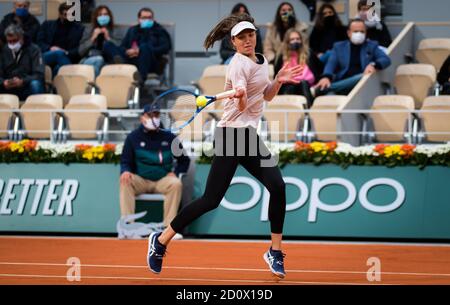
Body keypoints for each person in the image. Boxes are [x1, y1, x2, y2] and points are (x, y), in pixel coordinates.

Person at [146, 13, 303, 279]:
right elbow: (241, 106)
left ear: (255, 36)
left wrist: (276, 81)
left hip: (249, 138)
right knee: (210, 200)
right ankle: (160, 241)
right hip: (230, 136)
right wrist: (240, 97)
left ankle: (275, 252)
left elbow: (266, 96)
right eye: (241, 37)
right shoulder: (237, 65)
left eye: (250, 35)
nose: (247, 40)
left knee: (277, 186)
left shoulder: (262, 61)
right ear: (233, 42)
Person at [120, 103, 190, 240]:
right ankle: (128, 227)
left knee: (176, 183)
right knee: (125, 180)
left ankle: (168, 230)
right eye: (150, 115)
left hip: (162, 180)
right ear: (142, 118)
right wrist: (125, 171)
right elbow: (125, 161)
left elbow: (184, 160)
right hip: (141, 179)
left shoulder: (169, 137)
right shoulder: (132, 137)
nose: (154, 118)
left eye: (156, 115)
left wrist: (175, 172)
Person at [312, 19, 391, 96]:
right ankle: (327, 89)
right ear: (349, 33)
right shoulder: (339, 47)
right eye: (356, 31)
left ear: (366, 33)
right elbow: (330, 64)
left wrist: (373, 65)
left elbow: (385, 59)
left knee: (362, 76)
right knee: (328, 98)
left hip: (361, 85)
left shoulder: (372, 46)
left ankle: (325, 88)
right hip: (342, 83)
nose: (359, 34)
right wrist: (326, 77)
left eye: (362, 32)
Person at [112, 7, 171, 83]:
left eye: (149, 18)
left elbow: (165, 47)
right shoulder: (132, 30)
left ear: (153, 19)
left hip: (151, 62)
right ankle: (121, 63)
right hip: (132, 60)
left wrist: (143, 50)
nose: (147, 20)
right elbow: (123, 45)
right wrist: (127, 51)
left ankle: (140, 80)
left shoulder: (159, 31)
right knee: (108, 45)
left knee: (144, 47)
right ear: (139, 19)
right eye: (144, 18)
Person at [274, 28, 323, 107]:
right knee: (290, 88)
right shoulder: (280, 56)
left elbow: (320, 71)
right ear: (287, 42)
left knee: (303, 83)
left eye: (298, 39)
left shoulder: (309, 54)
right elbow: (277, 77)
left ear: (301, 40)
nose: (295, 41)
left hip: (308, 87)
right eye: (292, 39)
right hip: (287, 87)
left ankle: (308, 113)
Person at [37, 2, 84, 76]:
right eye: (65, 15)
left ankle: (55, 86)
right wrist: (50, 48)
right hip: (48, 54)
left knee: (58, 69)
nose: (68, 17)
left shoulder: (79, 29)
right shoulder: (47, 25)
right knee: (58, 53)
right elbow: (39, 42)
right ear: (60, 14)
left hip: (67, 56)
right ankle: (74, 77)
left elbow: (80, 48)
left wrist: (66, 52)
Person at [0, 24, 44, 100]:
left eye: (15, 40)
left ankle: (37, 108)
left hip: (26, 85)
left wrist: (22, 81)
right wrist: (3, 82)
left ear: (21, 38)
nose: (12, 44)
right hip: (9, 87)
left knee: (35, 84)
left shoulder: (34, 50)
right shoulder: (4, 50)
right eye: (9, 41)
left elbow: (39, 74)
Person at [78, 5, 121, 76]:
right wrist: (92, 38)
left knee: (96, 67)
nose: (103, 17)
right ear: (96, 17)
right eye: (100, 15)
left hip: (107, 61)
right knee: (99, 59)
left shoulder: (116, 30)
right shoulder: (89, 30)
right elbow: (80, 51)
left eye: (105, 14)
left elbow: (120, 49)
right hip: (89, 58)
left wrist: (108, 38)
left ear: (109, 16)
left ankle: (94, 85)